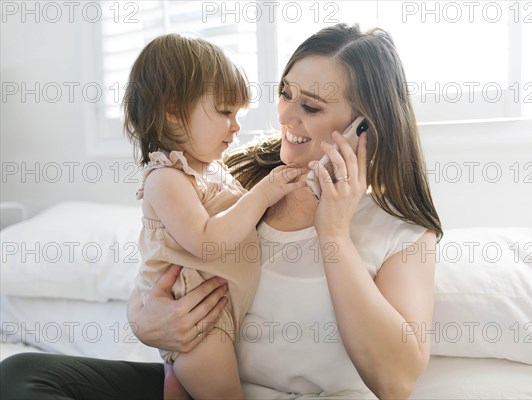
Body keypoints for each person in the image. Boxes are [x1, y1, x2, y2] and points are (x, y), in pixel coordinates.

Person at [0, 23, 442, 400]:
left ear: (363, 126)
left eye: (310, 105)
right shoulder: (235, 177)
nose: (287, 115)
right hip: (202, 381)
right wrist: (146, 320)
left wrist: (334, 235)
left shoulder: (401, 232)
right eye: (285, 93)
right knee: (21, 375)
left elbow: (395, 380)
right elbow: (167, 255)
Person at [124, 34, 306, 399]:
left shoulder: (211, 169)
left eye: (237, 114)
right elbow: (207, 241)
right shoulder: (167, 178)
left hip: (212, 318)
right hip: (198, 325)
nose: (236, 126)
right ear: (172, 111)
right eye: (225, 112)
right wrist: (264, 192)